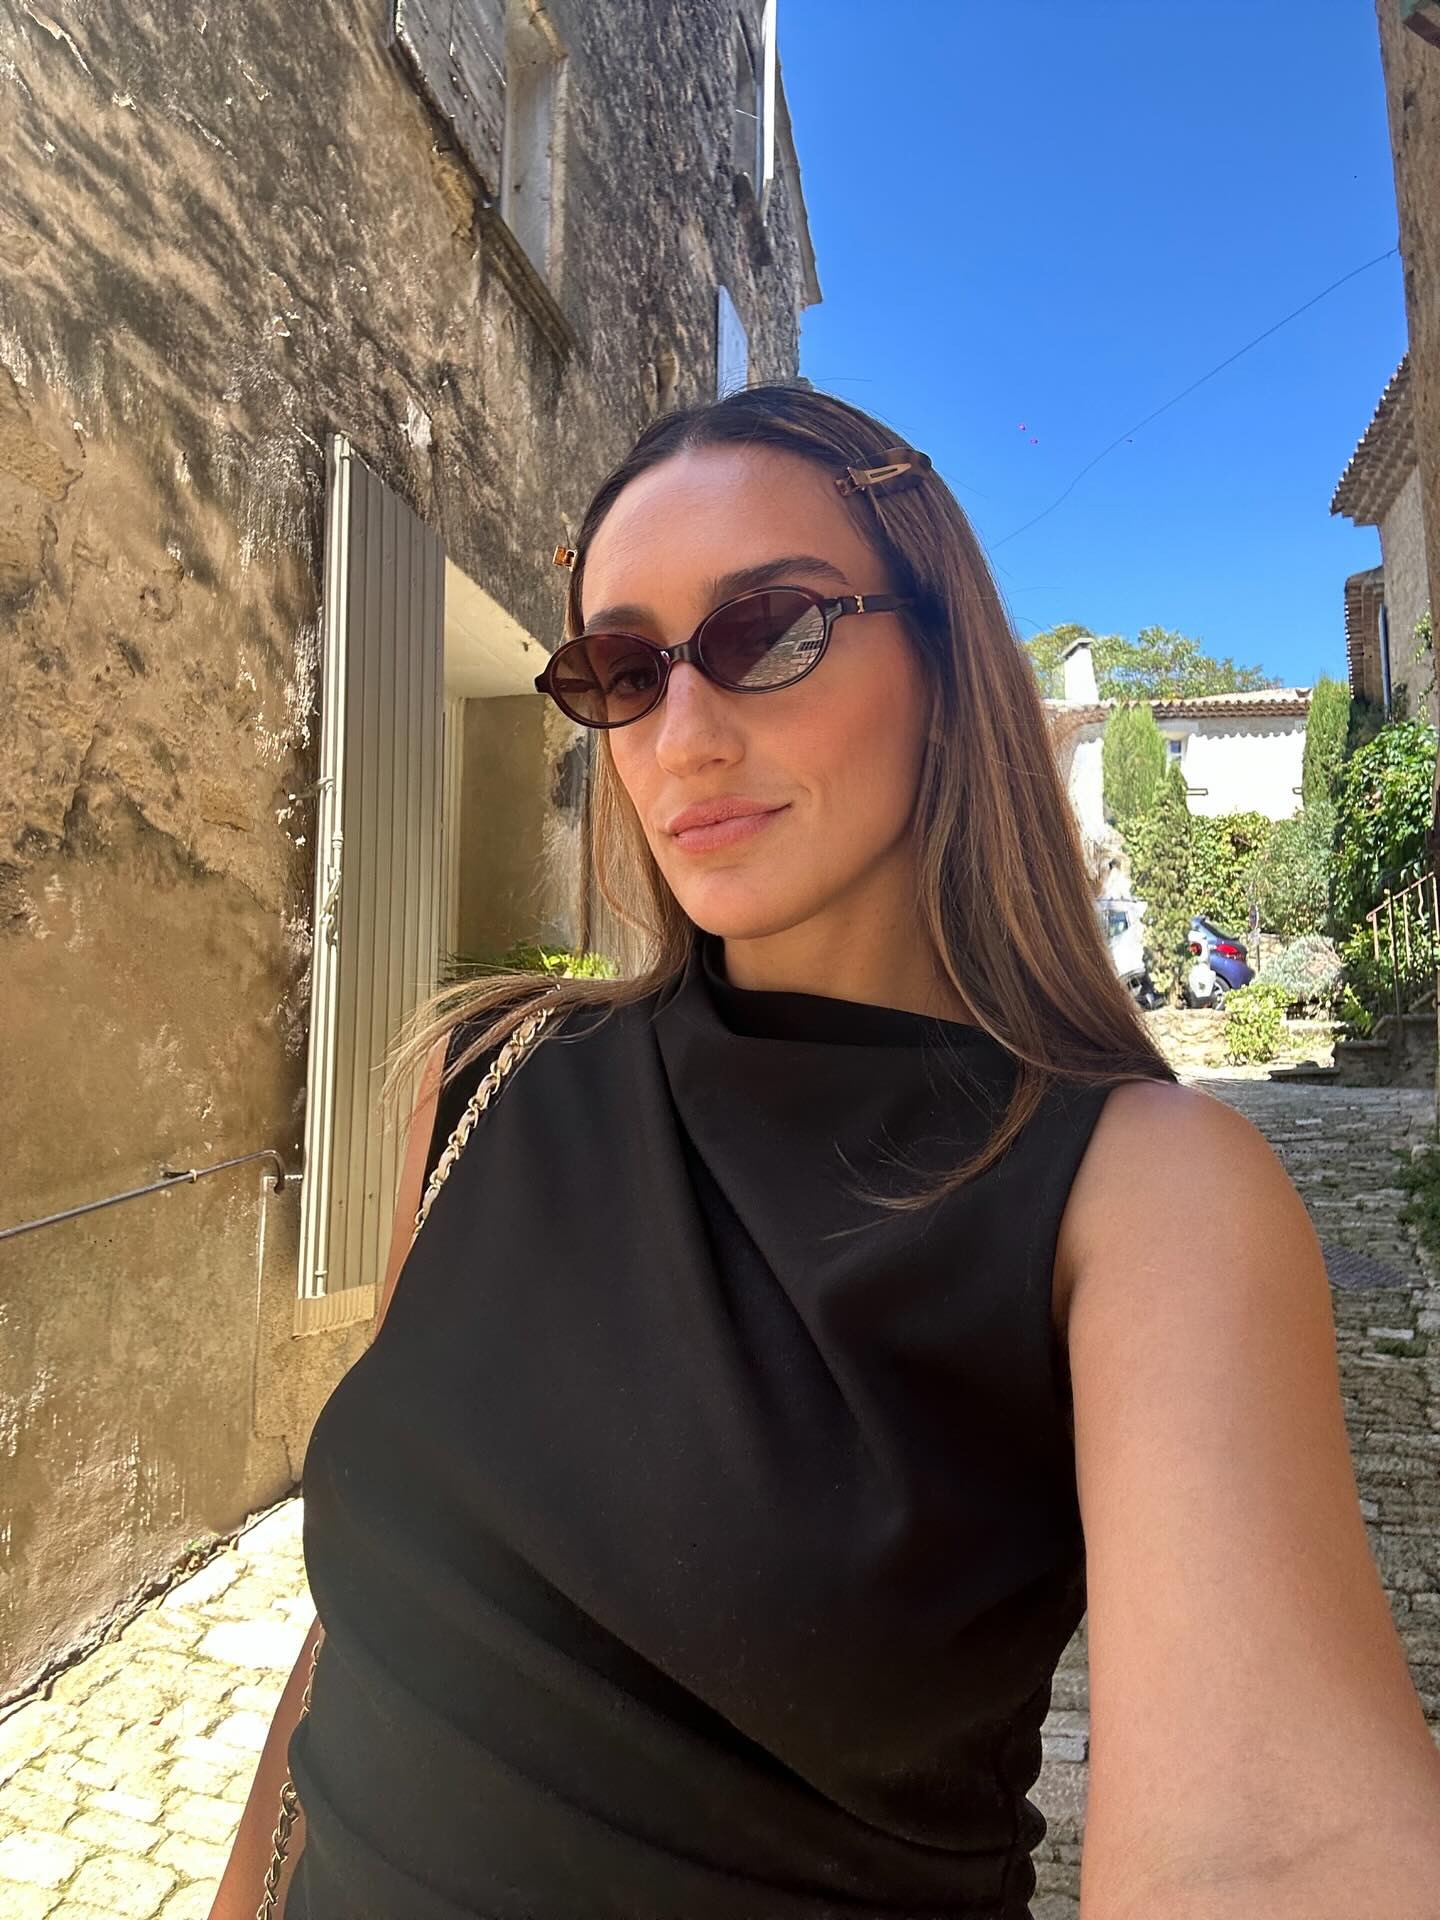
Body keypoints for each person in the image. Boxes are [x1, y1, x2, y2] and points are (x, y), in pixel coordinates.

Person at [215, 385, 1440, 1919]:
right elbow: (368, 1638)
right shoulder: (485, 1081)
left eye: (770, 629)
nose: (684, 730)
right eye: (620, 668)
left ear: (943, 659)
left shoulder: (1137, 1194)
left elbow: (1280, 1850)